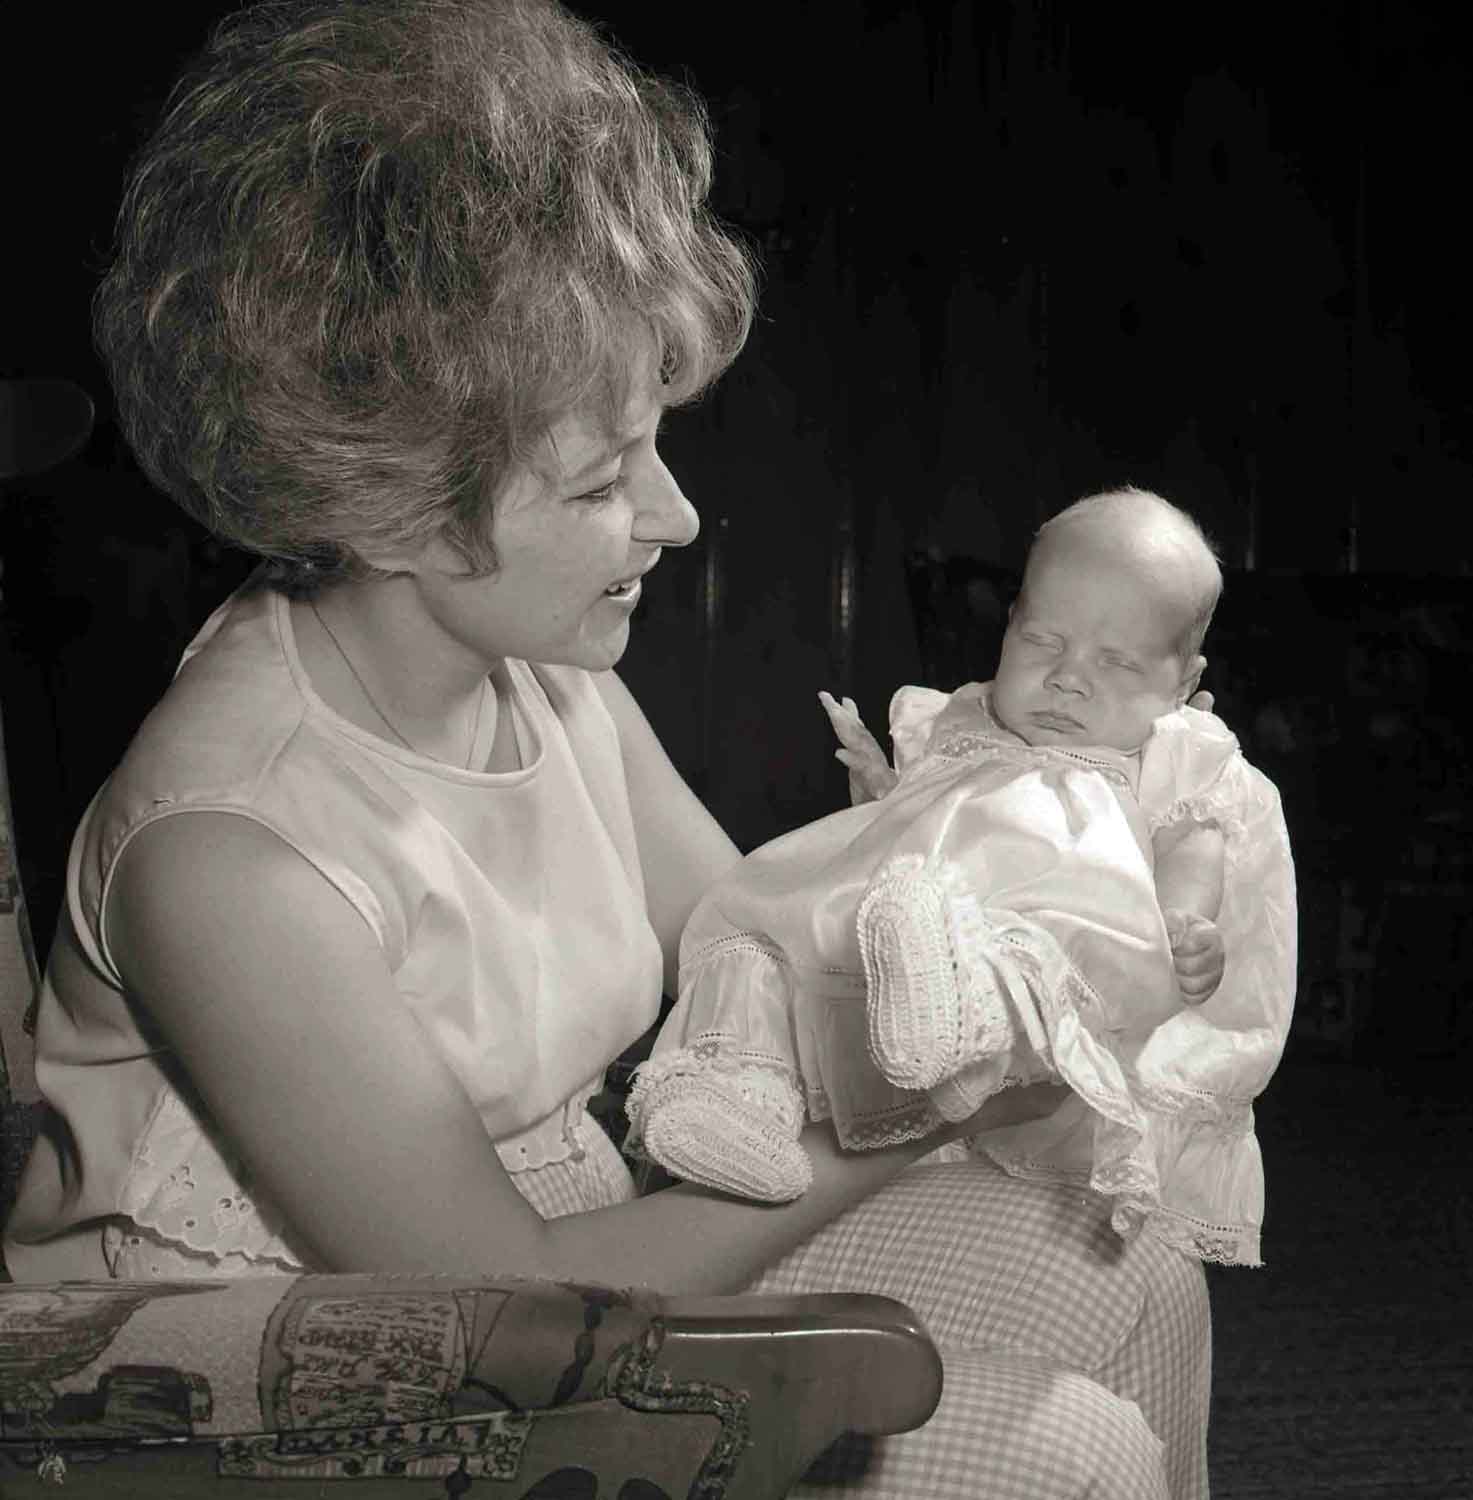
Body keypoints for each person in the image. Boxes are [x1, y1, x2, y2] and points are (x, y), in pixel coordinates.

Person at [3, 3, 1212, 1494]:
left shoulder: (538, 673)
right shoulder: (225, 856)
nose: (676, 517)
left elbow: (752, 949)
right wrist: (928, 1111)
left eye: (652, 440)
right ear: (381, 501)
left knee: (1128, 1260)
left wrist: (1020, 854)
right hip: (278, 1403)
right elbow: (493, 1300)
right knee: (1065, 1456)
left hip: (573, 1265)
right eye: (596, 483)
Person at [628, 489, 1296, 1269]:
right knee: (767, 929)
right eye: (1042, 641)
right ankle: (734, 1093)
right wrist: (884, 791)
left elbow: (1192, 839)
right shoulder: (958, 722)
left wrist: (1187, 922)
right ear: (1009, 624)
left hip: (1054, 940)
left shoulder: (1171, 751)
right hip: (904, 931)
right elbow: (913, 830)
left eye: (1115, 661)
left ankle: (962, 1007)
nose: (1066, 679)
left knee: (1022, 947)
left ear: (1183, 680)